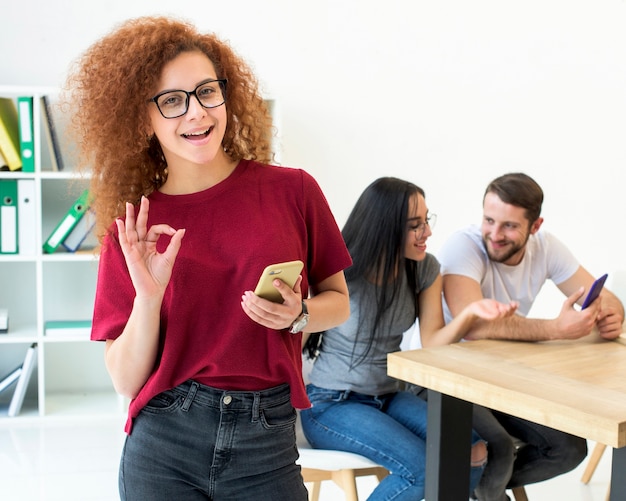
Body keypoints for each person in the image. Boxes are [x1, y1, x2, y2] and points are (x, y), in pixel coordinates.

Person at [63, 16, 352, 501]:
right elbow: (125, 378)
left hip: (267, 437)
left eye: (207, 92)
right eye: (172, 101)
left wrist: (299, 313)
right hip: (164, 439)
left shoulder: (293, 190)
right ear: (142, 118)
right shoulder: (132, 227)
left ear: (226, 95)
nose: (196, 113)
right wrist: (148, 299)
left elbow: (339, 302)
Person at [300, 177, 518, 500]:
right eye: (415, 225)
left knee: (472, 451)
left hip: (387, 396)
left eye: (426, 221)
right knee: (422, 471)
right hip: (332, 403)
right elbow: (297, 339)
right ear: (385, 228)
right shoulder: (338, 270)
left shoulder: (424, 269)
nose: (427, 233)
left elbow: (432, 343)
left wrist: (471, 315)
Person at [439, 172, 625, 501]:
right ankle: (480, 487)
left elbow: (602, 297)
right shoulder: (463, 245)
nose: (494, 234)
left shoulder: (547, 246)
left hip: (503, 378)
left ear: (535, 227)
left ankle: (479, 487)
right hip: (449, 381)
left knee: (568, 449)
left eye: (509, 226)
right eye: (489, 220)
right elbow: (474, 323)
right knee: (497, 449)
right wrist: (556, 328)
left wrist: (611, 314)